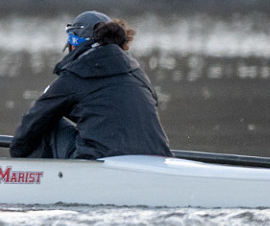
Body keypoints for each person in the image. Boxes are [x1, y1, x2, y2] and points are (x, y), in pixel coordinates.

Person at [10, 11, 172, 160]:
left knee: (46, 123)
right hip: (157, 158)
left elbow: (29, 128)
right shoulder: (138, 74)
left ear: (74, 45)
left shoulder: (75, 76)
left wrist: (16, 157)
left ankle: (33, 182)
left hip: (102, 164)